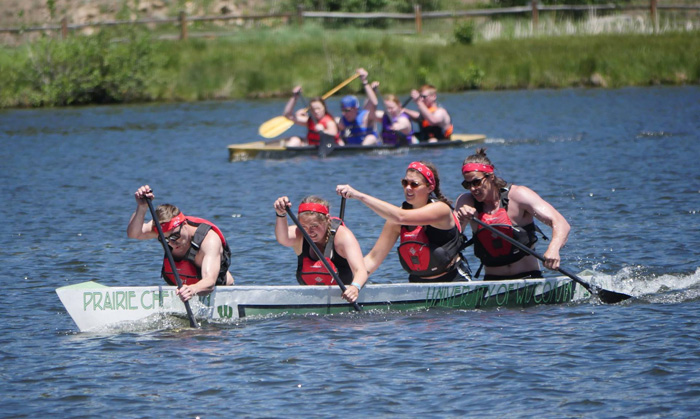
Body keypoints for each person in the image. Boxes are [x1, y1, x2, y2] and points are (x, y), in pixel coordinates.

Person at [336, 161, 471, 283]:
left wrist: (358, 195)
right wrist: (343, 280)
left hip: (453, 280)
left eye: (414, 184)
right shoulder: (396, 220)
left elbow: (401, 216)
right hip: (417, 283)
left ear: (430, 188)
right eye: (405, 183)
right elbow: (373, 259)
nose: (408, 188)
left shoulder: (441, 209)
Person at [454, 148, 571, 281]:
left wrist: (553, 249)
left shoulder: (518, 195)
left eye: (476, 182)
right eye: (467, 184)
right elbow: (450, 238)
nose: (472, 189)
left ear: (491, 176)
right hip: (492, 282)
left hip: (528, 278)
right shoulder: (466, 201)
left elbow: (561, 223)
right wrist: (461, 218)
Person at [127, 185, 234, 302]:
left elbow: (209, 281)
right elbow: (134, 233)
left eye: (175, 236)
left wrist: (192, 290)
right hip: (183, 294)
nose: (172, 243)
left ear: (184, 225)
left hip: (219, 293)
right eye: (165, 239)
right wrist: (142, 207)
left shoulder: (209, 240)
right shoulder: (164, 231)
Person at [273, 195, 368, 303]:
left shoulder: (343, 236)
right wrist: (281, 214)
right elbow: (282, 238)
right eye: (304, 226)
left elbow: (360, 270)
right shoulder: (299, 234)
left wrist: (355, 287)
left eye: (314, 226)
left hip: (344, 298)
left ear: (327, 219)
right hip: (309, 301)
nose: (309, 232)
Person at [337, 68, 379, 146]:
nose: (344, 113)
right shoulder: (341, 121)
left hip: (368, 147)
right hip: (350, 150)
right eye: (343, 110)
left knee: (371, 137)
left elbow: (374, 103)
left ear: (355, 109)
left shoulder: (366, 117)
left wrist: (364, 81)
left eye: (347, 110)